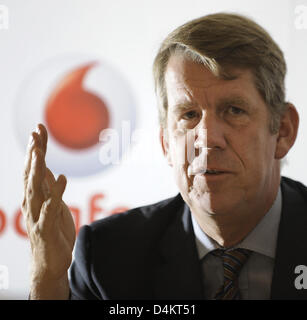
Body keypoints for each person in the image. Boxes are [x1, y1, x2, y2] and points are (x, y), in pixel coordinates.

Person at [22, 12, 307, 300]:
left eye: (234, 110)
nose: (207, 138)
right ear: (165, 143)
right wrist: (48, 279)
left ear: (282, 131)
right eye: (189, 115)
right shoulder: (109, 258)